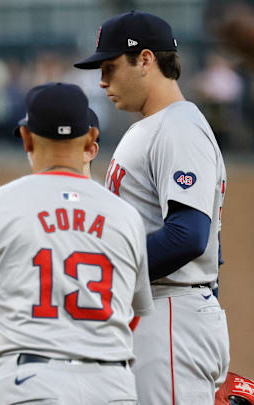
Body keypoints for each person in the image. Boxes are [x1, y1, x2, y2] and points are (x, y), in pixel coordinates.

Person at [0, 82, 154, 405]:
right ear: (91, 138)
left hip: (32, 384)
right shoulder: (126, 216)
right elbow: (130, 314)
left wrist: (10, 335)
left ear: (26, 138)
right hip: (111, 386)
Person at [74, 10, 230, 403]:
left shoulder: (178, 128)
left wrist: (105, 275)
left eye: (110, 67)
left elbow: (188, 236)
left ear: (145, 60)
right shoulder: (155, 125)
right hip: (159, 311)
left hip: (171, 315)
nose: (102, 80)